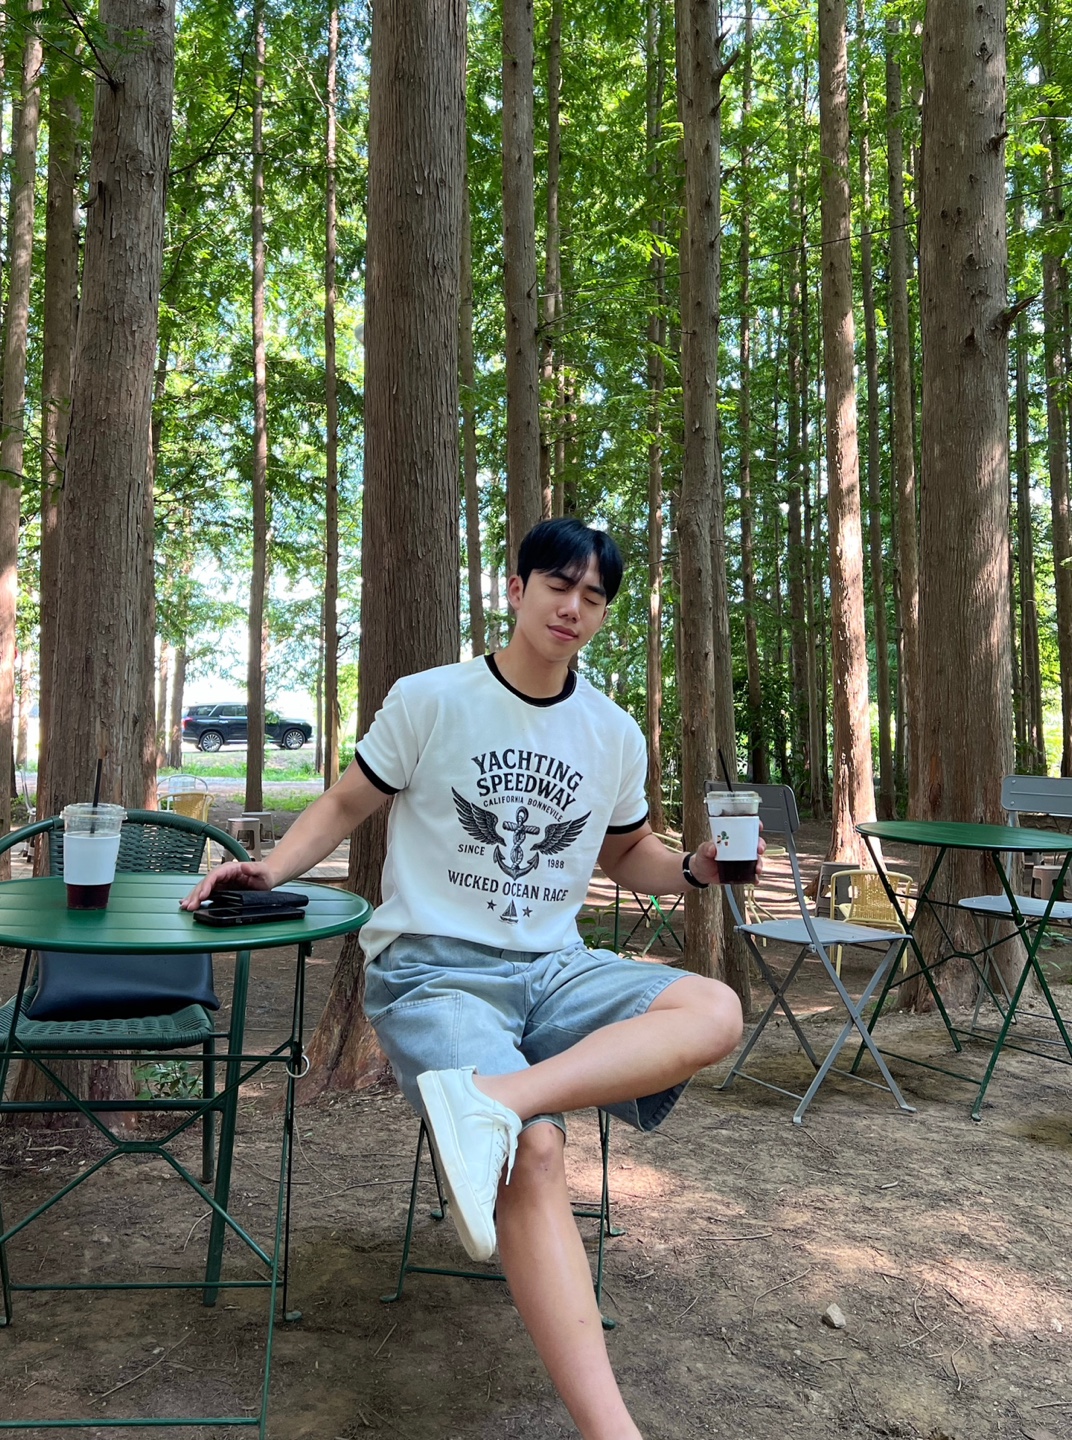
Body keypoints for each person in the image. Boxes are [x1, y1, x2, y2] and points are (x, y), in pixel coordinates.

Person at [182, 518, 753, 1440]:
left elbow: (627, 853)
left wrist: (693, 869)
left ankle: (492, 1101)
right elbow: (346, 800)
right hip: (434, 970)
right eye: (558, 585)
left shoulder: (612, 732)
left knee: (714, 1008)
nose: (573, 608)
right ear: (517, 588)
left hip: (556, 968)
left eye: (594, 597)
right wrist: (270, 870)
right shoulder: (433, 699)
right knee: (535, 1151)